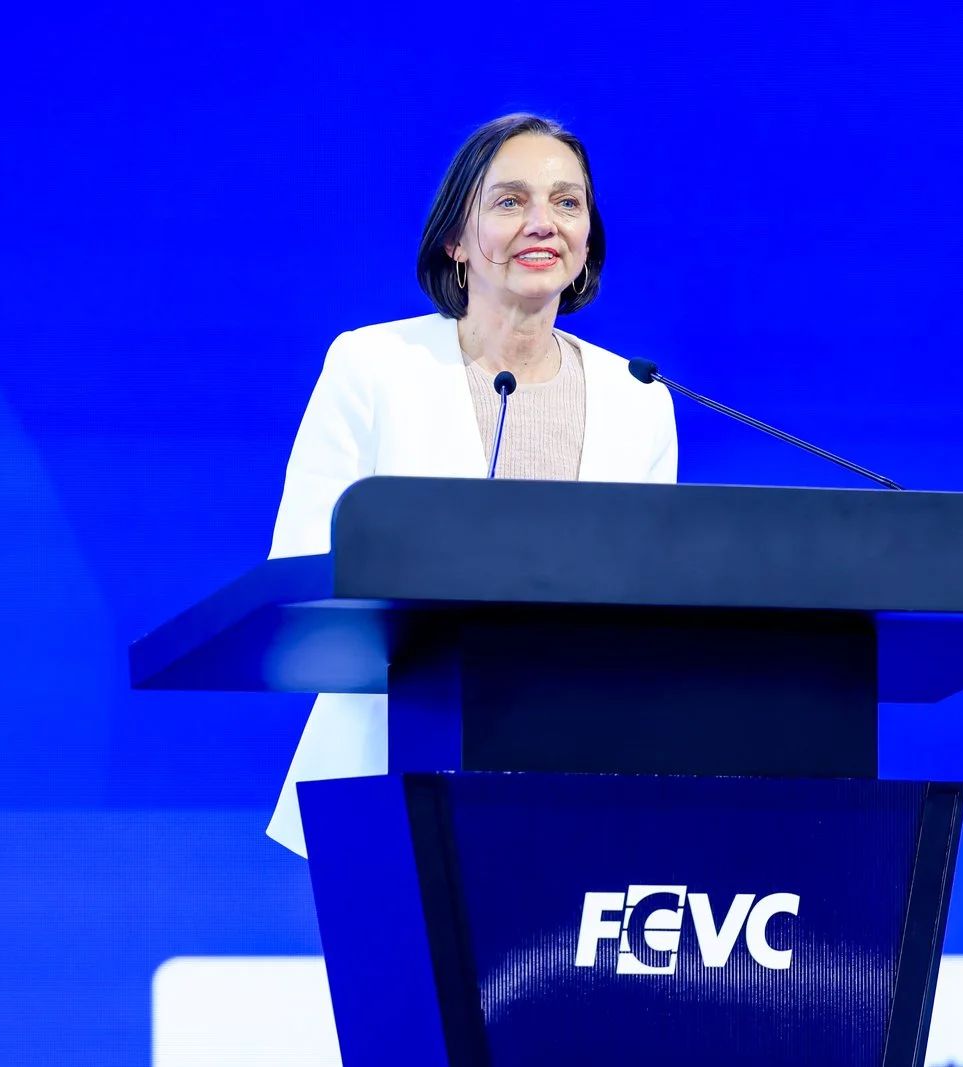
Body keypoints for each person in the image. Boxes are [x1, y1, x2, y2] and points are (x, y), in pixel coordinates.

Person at [263, 114, 677, 855]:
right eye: (510, 201)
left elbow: (651, 604)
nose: (543, 222)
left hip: (582, 776)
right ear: (456, 239)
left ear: (587, 240)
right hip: (391, 766)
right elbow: (302, 566)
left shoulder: (637, 396)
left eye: (567, 202)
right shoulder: (373, 366)